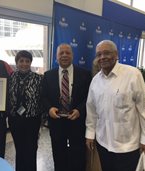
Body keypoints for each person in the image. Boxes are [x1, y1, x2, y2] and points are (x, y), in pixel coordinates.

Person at [85, 40, 145, 171]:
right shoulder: (95, 81)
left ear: (116, 55)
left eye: (106, 53)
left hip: (127, 145)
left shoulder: (133, 75)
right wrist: (90, 134)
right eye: (99, 54)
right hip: (103, 142)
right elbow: (92, 110)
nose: (102, 57)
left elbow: (144, 109)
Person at [42, 43, 92, 171]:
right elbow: (44, 97)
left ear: (72, 56)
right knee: (59, 154)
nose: (64, 55)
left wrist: (80, 110)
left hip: (77, 121)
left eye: (67, 53)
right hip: (56, 122)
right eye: (61, 53)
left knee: (78, 155)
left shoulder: (85, 74)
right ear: (56, 57)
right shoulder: (48, 75)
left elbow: (89, 97)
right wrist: (49, 108)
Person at [8, 50, 43, 171]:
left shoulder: (38, 79)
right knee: (19, 148)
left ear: (31, 63)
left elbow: (42, 98)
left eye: (27, 61)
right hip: (15, 119)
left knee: (31, 148)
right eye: (21, 61)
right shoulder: (10, 78)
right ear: (16, 63)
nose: (24, 64)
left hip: (32, 120)